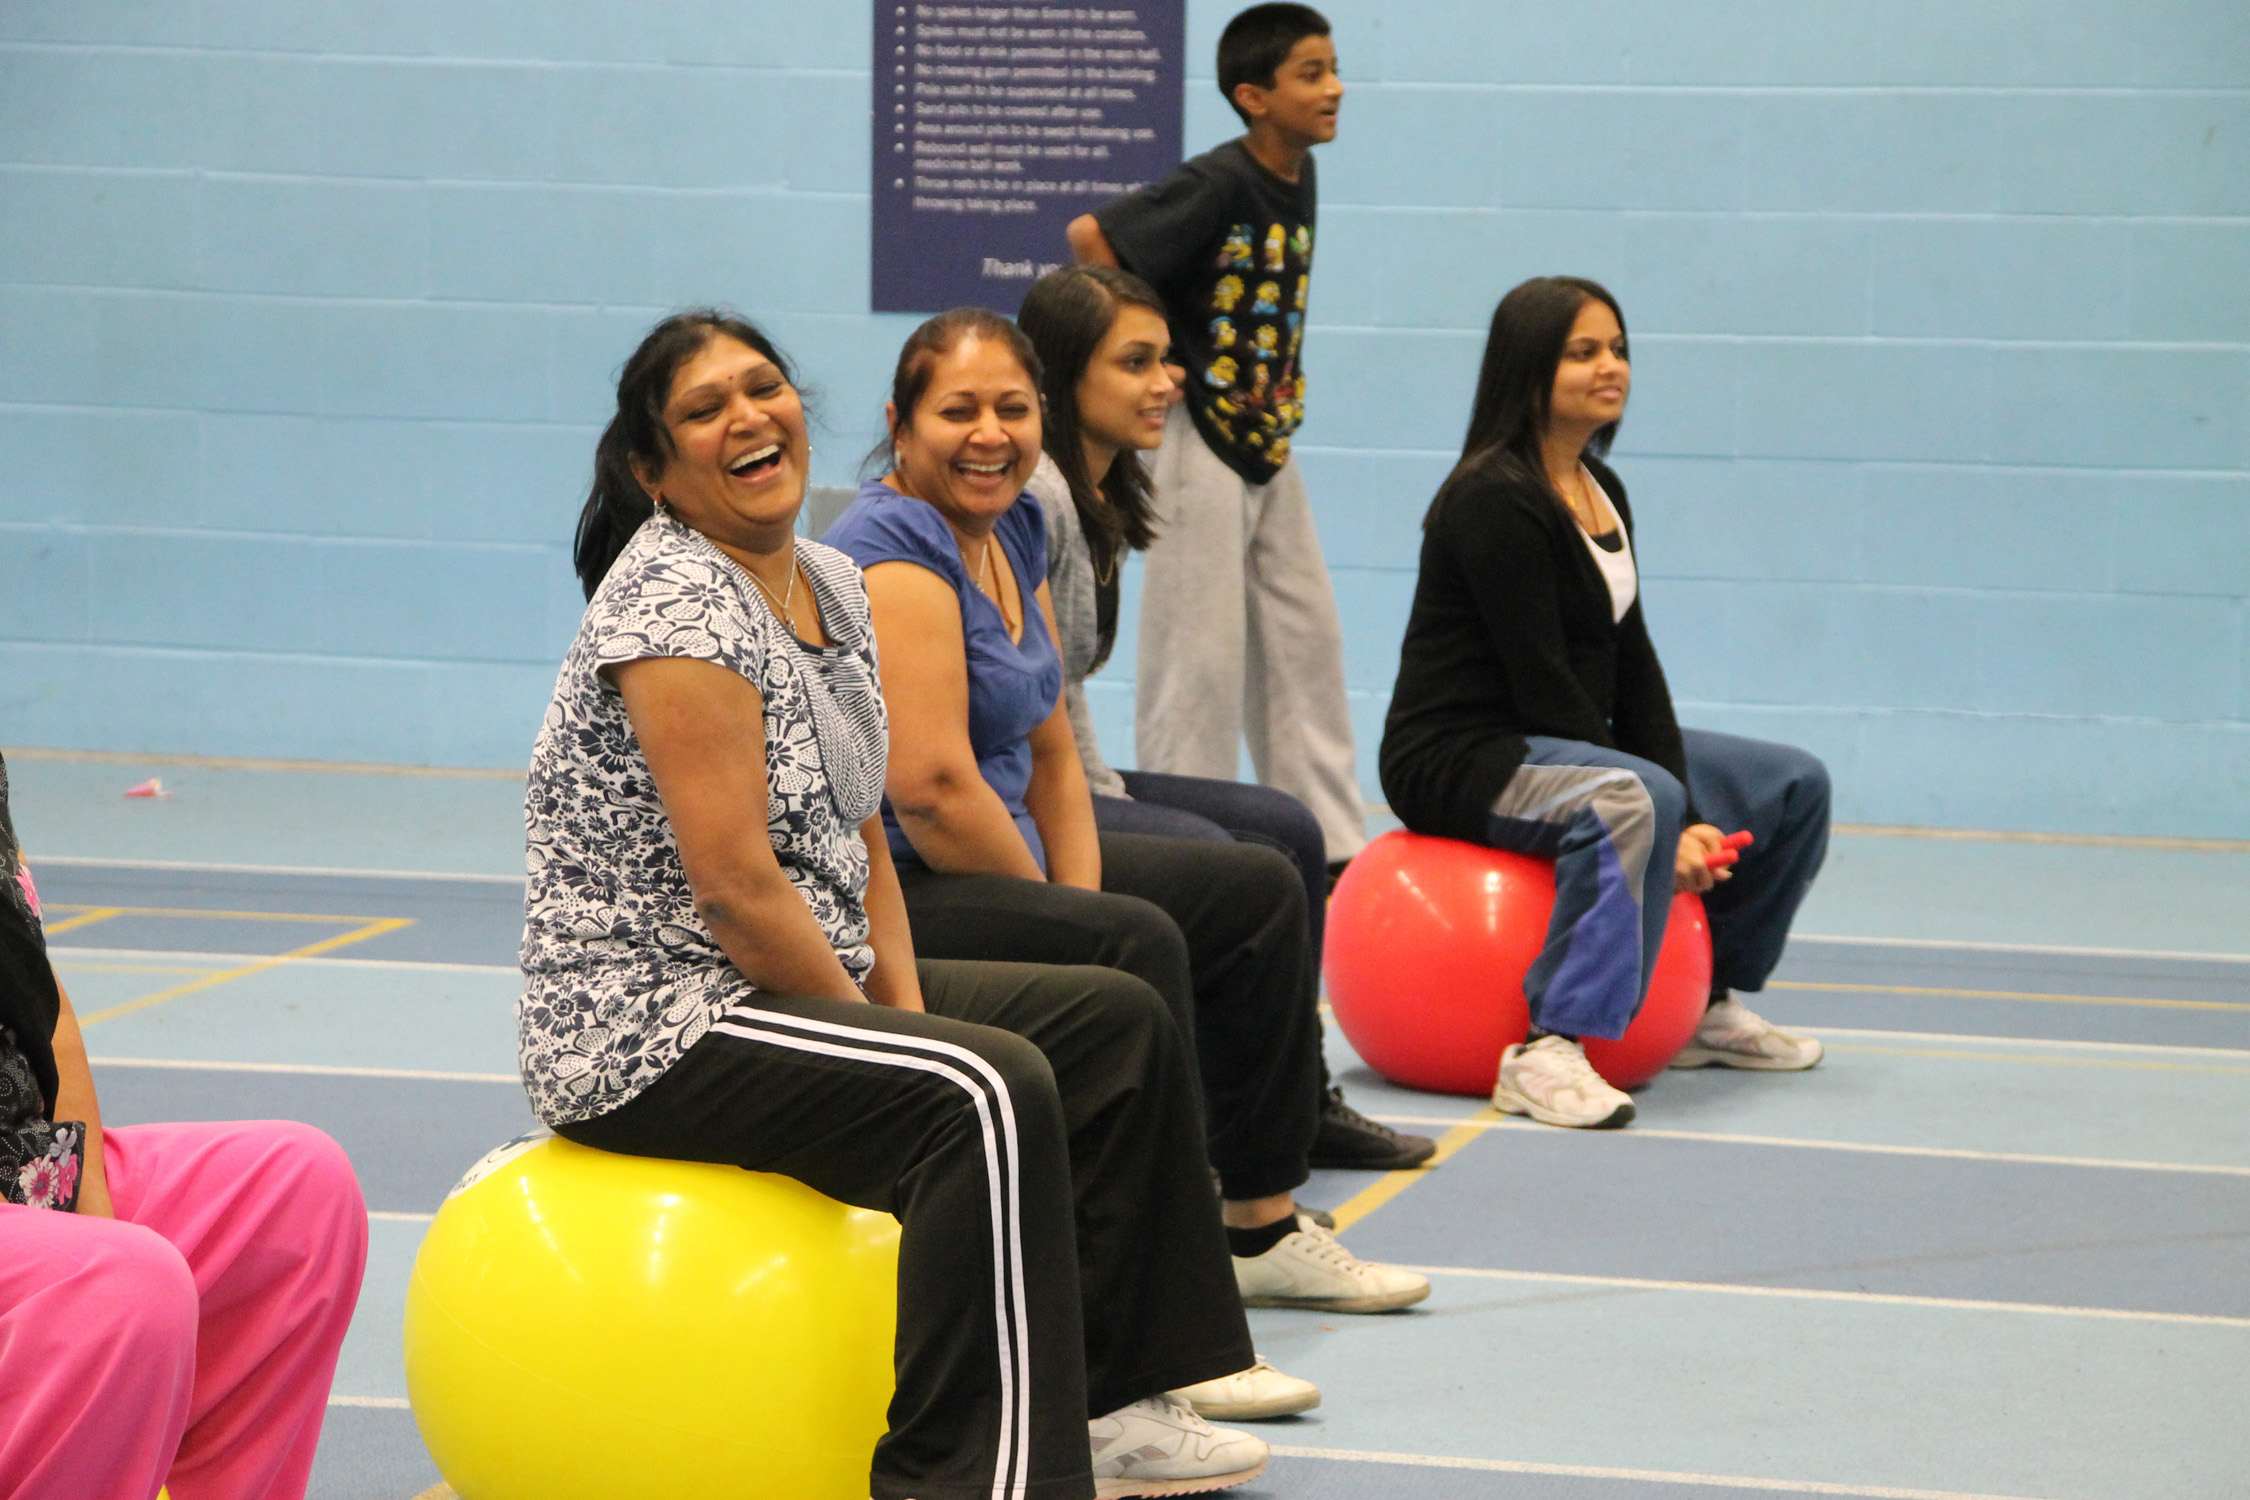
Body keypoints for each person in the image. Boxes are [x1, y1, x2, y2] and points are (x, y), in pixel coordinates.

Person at [538, 309, 1279, 1500]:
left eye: (764, 388)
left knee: (1110, 1023)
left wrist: (907, 1005)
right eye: (703, 408)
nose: (748, 417)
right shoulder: (672, 608)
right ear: (652, 467)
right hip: (654, 1025)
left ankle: (1118, 1402)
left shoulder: (827, 577)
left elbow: (864, 825)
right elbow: (735, 892)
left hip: (775, 981)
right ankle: (960, 1479)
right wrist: (890, 1039)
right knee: (980, 1092)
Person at [822, 308, 1430, 1344]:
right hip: (911, 883)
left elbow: (1054, 748)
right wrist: (1063, 917)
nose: (989, 434)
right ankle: (1160, 1284)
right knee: (1133, 940)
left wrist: (1077, 895)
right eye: (957, 410)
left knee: (1259, 889)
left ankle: (1259, 1228)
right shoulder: (890, 550)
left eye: (1012, 409)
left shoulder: (1011, 524)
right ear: (901, 423)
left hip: (997, 847)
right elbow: (932, 790)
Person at [1379, 276, 1832, 1131]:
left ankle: (1704, 1000)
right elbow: (1540, 679)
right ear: (1529, 369)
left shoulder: (1601, 488)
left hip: (1571, 742)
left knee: (1794, 785)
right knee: (1638, 799)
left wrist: (1690, 808)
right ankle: (1550, 1047)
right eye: (1582, 352)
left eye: (1618, 349)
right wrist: (1668, 816)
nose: (1609, 366)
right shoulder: (1492, 500)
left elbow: (1635, 663)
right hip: (1464, 754)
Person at [1014, 263, 1432, 1173]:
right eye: (1137, 363)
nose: (1169, 382)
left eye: (1168, 360)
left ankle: (1297, 1097)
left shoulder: (1107, 487)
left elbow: (1067, 689)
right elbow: (1041, 704)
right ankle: (1237, 1143)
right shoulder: (1036, 497)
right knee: (1234, 862)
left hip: (1077, 776)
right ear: (1059, 376)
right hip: (1027, 797)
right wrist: (1100, 803)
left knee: (1288, 824)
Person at [0, 751, 369, 1500]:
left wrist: (90, 1203)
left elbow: (42, 1006)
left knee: (300, 1190)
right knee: (123, 1288)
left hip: (20, 1170)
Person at [1066, 2, 1368, 869]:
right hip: (1199, 435)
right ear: (1253, 96)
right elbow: (1093, 237)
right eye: (1312, 73)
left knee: (1307, 634)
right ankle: (1185, 830)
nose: (1335, 87)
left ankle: (1332, 837)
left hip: (1268, 434)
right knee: (1196, 648)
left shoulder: (1297, 173)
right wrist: (1147, 354)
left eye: (1333, 67)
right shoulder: (1219, 181)